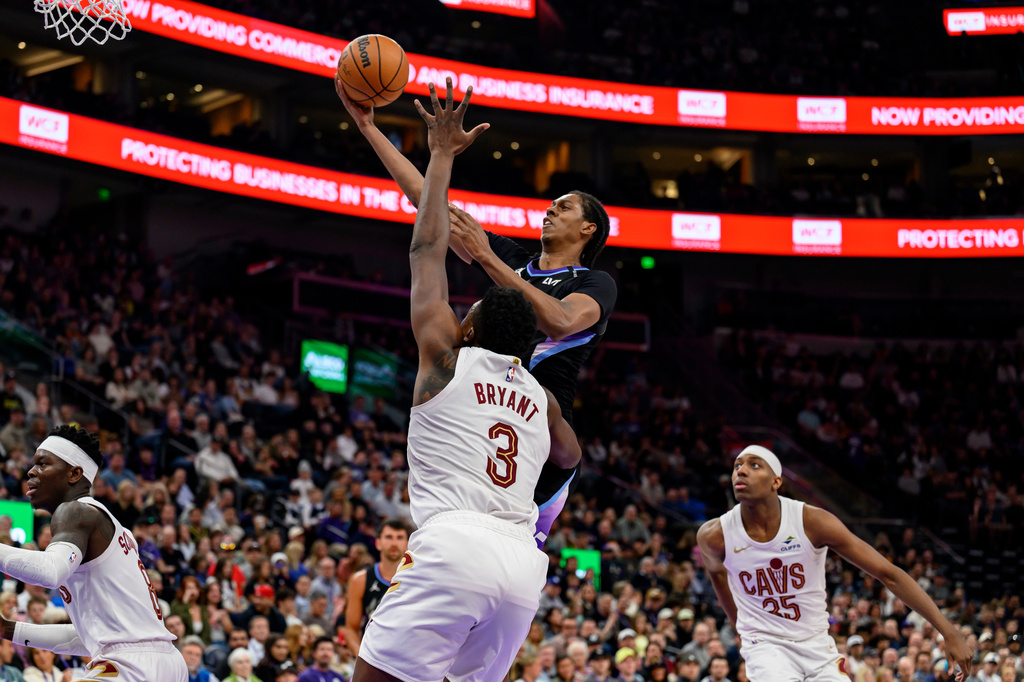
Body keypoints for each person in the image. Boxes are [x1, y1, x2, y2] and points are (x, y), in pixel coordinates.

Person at [352, 78, 581, 682]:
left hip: (455, 544)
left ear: (471, 328)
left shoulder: (447, 359)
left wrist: (442, 154)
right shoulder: (542, 399)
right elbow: (570, 454)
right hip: (521, 564)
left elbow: (425, 250)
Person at [337, 75, 616, 549]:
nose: (550, 210)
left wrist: (487, 258)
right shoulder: (515, 259)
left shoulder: (594, 283)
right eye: (551, 205)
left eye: (564, 207)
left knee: (515, 547)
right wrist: (369, 129)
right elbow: (429, 204)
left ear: (588, 228)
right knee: (462, 530)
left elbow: (561, 321)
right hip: (483, 406)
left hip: (541, 429)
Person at [696, 445, 973, 682]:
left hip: (816, 643)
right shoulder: (715, 535)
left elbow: (887, 573)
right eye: (737, 466)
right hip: (766, 645)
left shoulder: (812, 522)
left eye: (754, 465)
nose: (741, 471)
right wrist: (742, 627)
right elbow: (717, 574)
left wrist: (948, 631)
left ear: (776, 482)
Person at [0, 425, 187, 682]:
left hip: (130, 665)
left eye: (43, 464)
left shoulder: (75, 511)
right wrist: (9, 629)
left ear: (74, 474)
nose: (31, 471)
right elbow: (90, 637)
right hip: (165, 663)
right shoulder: (117, 530)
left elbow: (49, 572)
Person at [342, 519, 409, 654]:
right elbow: (350, 629)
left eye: (400, 538)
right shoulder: (360, 580)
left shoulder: (419, 580)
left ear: (408, 544)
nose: (394, 543)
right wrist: (361, 656)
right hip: (374, 655)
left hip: (408, 655)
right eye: (389, 537)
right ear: (378, 543)